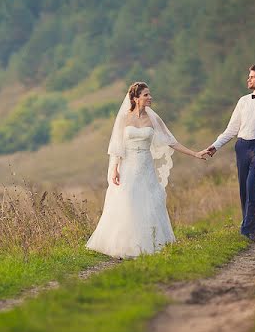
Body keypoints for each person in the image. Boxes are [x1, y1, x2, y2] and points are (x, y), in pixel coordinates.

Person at [86, 82, 206, 259]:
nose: (150, 98)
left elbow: (171, 141)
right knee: (128, 202)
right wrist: (115, 169)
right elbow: (118, 145)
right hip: (128, 166)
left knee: (150, 202)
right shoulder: (124, 118)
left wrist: (195, 153)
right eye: (146, 95)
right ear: (135, 98)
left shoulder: (154, 119)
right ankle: (124, 245)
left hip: (146, 166)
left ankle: (150, 243)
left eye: (150, 95)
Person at [199, 65, 255, 241]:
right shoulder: (242, 101)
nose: (248, 79)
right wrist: (215, 146)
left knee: (252, 187)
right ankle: (252, 227)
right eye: (249, 76)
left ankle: (245, 231)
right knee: (243, 190)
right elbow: (231, 130)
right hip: (242, 147)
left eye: (252, 77)